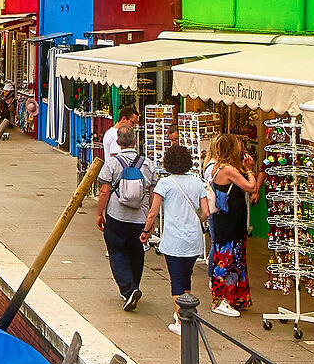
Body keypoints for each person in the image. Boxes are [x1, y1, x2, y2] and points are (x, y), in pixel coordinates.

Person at [145, 144, 213, 334]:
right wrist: (195, 221)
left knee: (176, 279)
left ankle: (182, 323)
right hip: (193, 239)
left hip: (174, 239)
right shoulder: (197, 182)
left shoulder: (164, 184)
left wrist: (146, 230)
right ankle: (185, 313)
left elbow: (153, 212)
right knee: (186, 278)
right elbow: (206, 212)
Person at [95, 127, 159, 312]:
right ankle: (133, 286)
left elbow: (105, 190)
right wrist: (151, 218)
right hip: (140, 218)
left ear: (119, 142)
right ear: (135, 141)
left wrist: (100, 213)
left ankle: (129, 288)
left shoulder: (113, 163)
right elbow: (152, 192)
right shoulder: (147, 164)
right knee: (136, 252)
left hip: (117, 216)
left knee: (116, 252)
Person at [206, 132, 262, 317]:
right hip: (229, 222)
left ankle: (231, 297)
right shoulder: (228, 170)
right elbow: (251, 187)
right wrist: (249, 169)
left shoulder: (216, 167)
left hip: (229, 219)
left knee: (233, 259)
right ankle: (220, 299)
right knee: (226, 259)